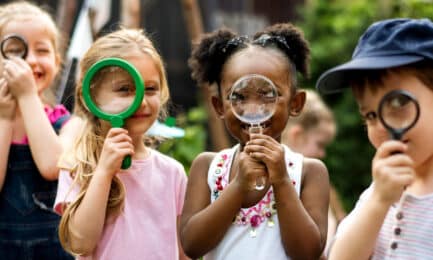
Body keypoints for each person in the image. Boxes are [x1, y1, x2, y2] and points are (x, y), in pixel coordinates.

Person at [181, 23, 330, 259]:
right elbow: (192, 244)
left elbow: (308, 252)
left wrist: (281, 180)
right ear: (219, 106)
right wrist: (239, 186)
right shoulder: (208, 167)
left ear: (296, 103)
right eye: (238, 96)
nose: (252, 110)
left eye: (268, 94)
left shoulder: (309, 172)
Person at [54, 28, 188, 260]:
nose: (142, 101)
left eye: (151, 89)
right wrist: (104, 172)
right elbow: (79, 242)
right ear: (92, 97)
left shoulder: (172, 173)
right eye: (125, 89)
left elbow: (183, 251)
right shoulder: (77, 165)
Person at [316, 18, 433, 259]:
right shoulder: (380, 191)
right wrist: (378, 201)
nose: (381, 126)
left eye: (399, 103)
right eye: (370, 115)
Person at [0, 2, 73, 259]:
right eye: (15, 50)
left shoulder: (67, 123)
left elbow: (53, 165)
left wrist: (28, 96)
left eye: (41, 50)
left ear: (57, 61)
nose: (30, 60)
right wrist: (5, 117)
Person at [281, 89, 346, 255]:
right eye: (320, 144)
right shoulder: (282, 188)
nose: (322, 154)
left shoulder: (321, 187)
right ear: (297, 135)